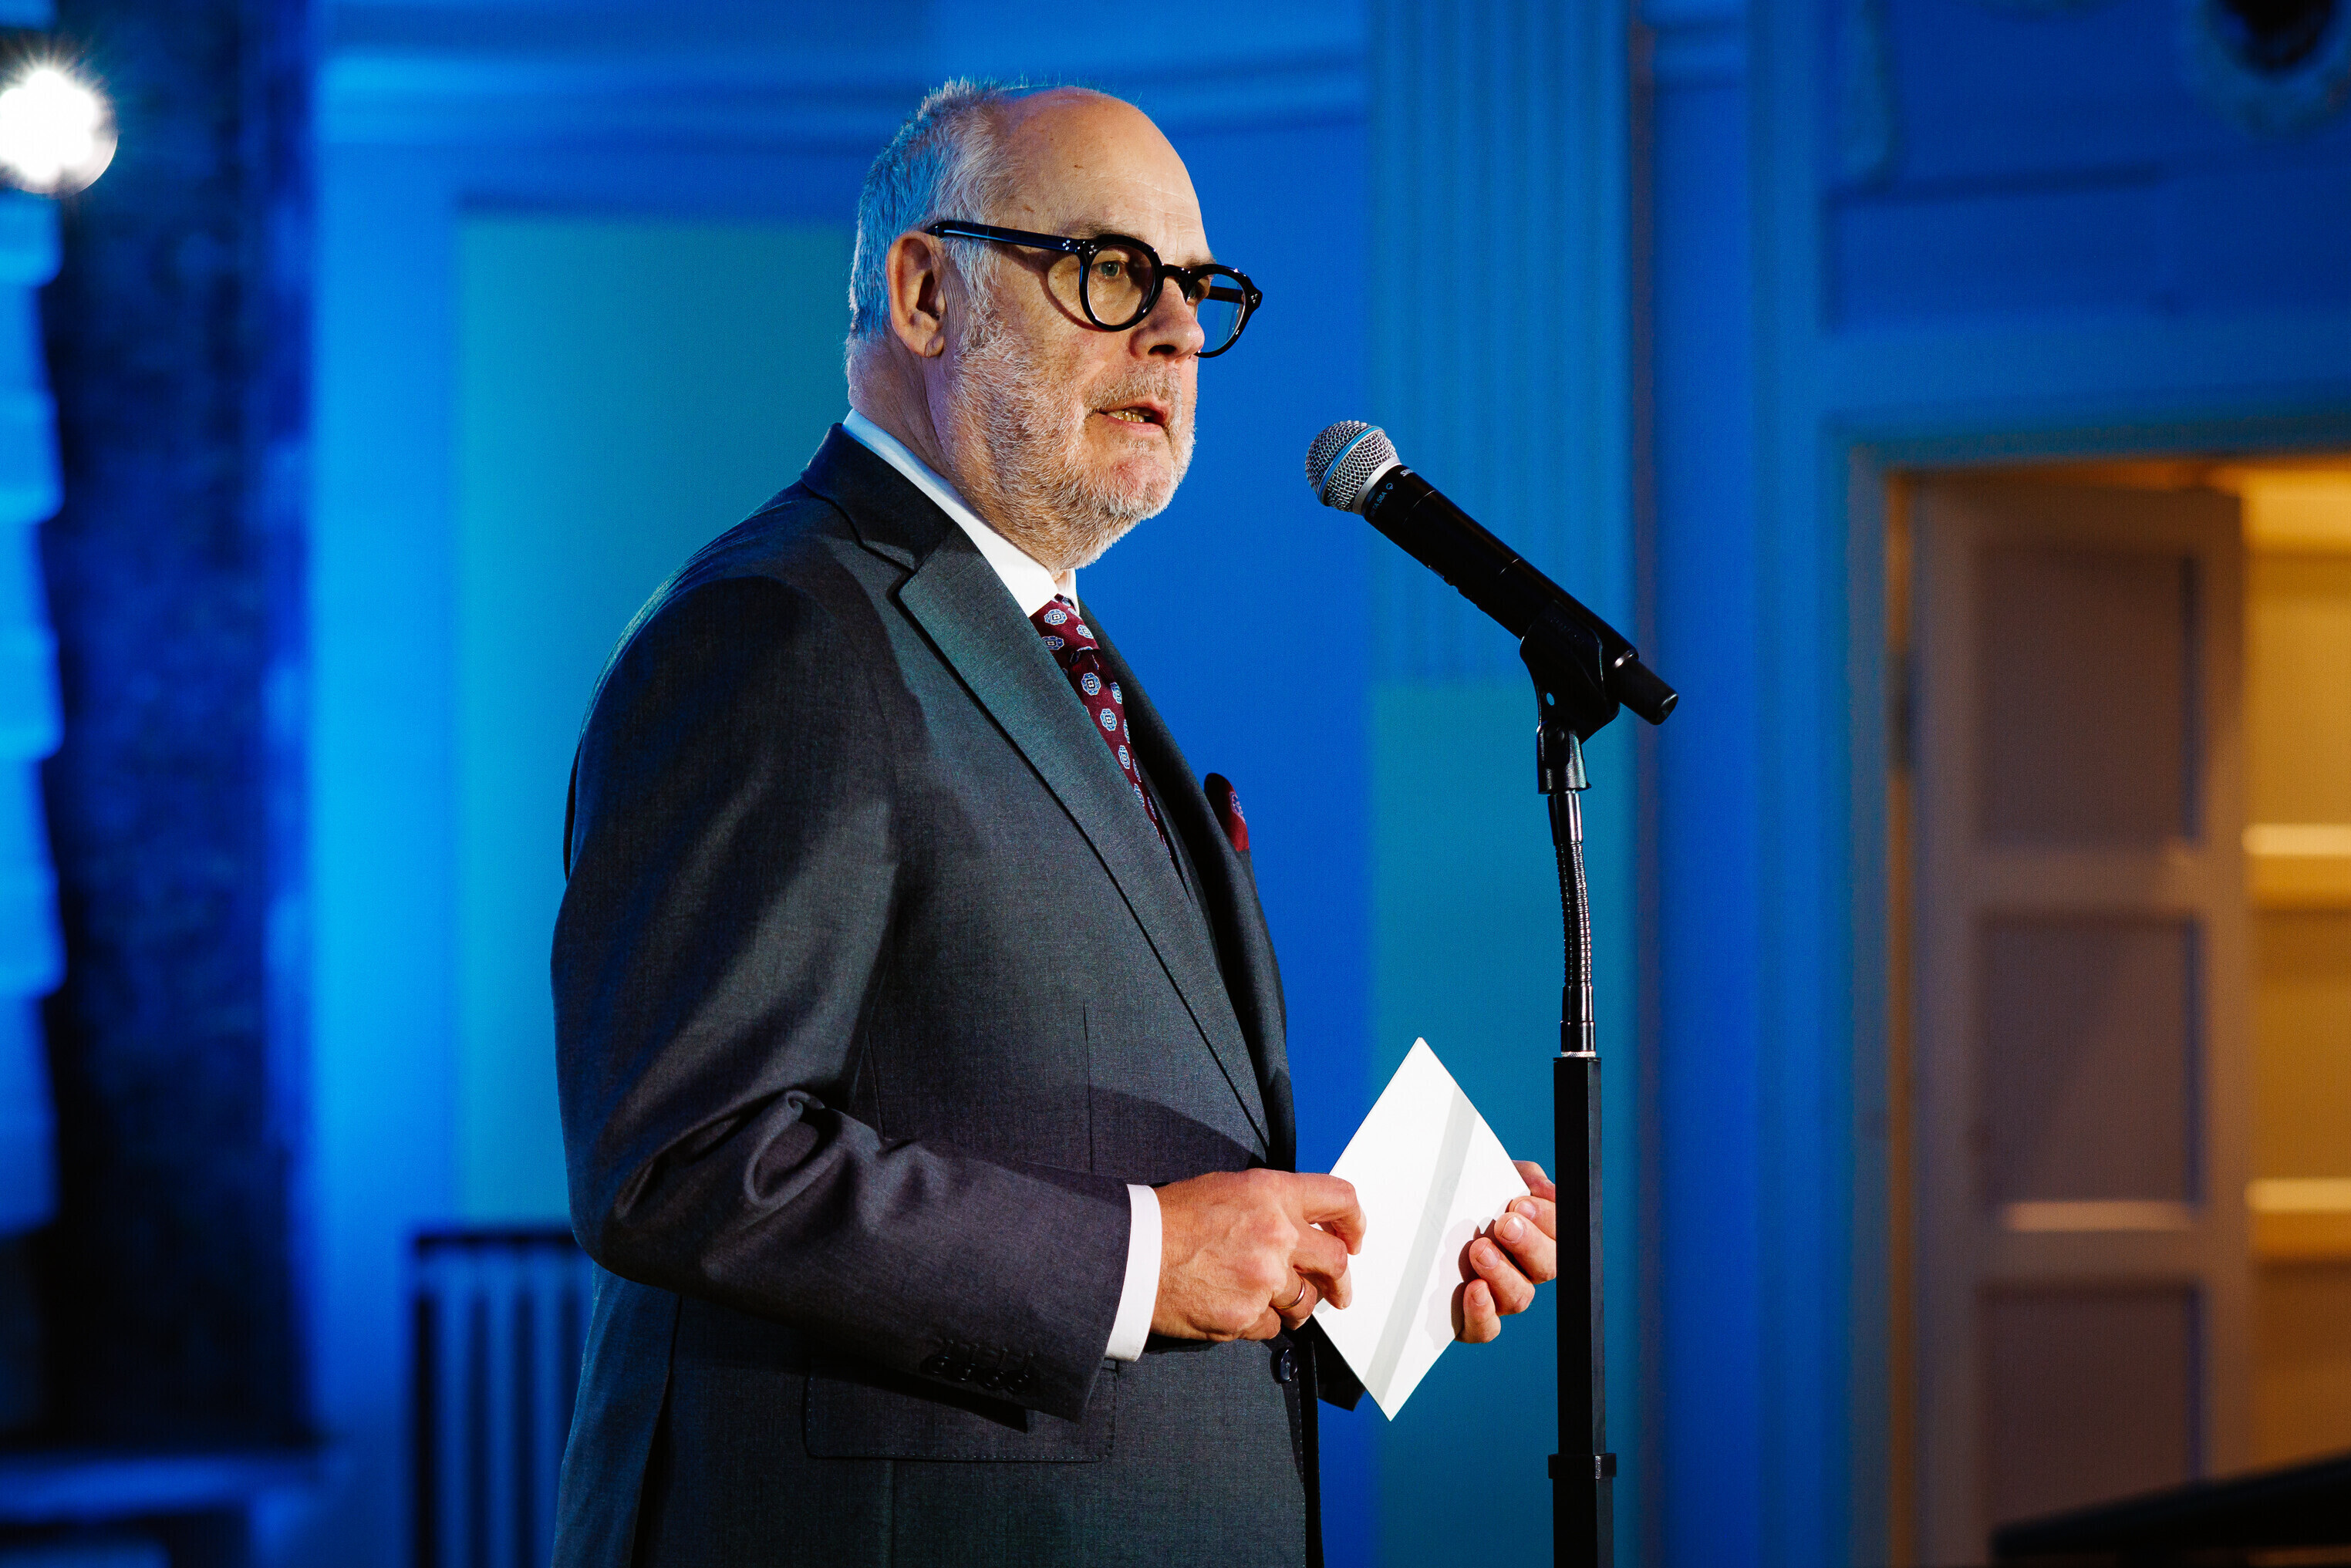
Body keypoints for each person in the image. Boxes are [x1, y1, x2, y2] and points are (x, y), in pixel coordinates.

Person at [549, 80, 1560, 1568]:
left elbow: (1062, 1151)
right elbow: (685, 1157)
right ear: (924, 294)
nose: (1175, 332)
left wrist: (1343, 1276)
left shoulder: (1053, 651)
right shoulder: (776, 630)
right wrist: (1147, 1260)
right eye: (1111, 271)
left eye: (1198, 290)